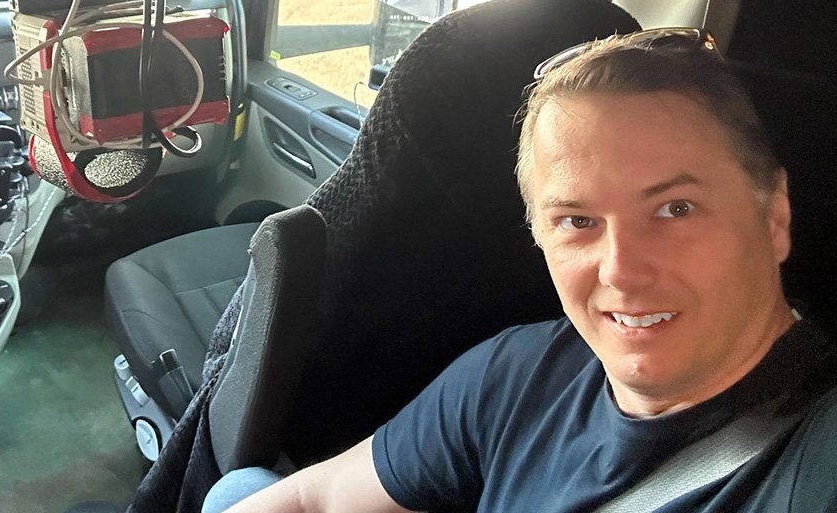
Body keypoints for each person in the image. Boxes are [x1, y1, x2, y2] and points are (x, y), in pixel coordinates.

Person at [203, 28, 837, 513]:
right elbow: (314, 499)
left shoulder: (812, 457)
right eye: (578, 222)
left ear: (775, 215)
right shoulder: (524, 373)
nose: (622, 270)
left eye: (675, 209)